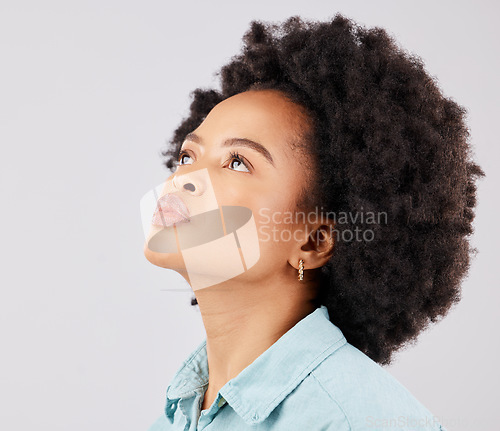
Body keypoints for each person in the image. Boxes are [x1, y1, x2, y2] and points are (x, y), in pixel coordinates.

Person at [143, 13, 484, 431]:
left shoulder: (362, 422)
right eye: (187, 156)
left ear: (313, 241)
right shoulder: (178, 412)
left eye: (236, 162)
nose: (185, 179)